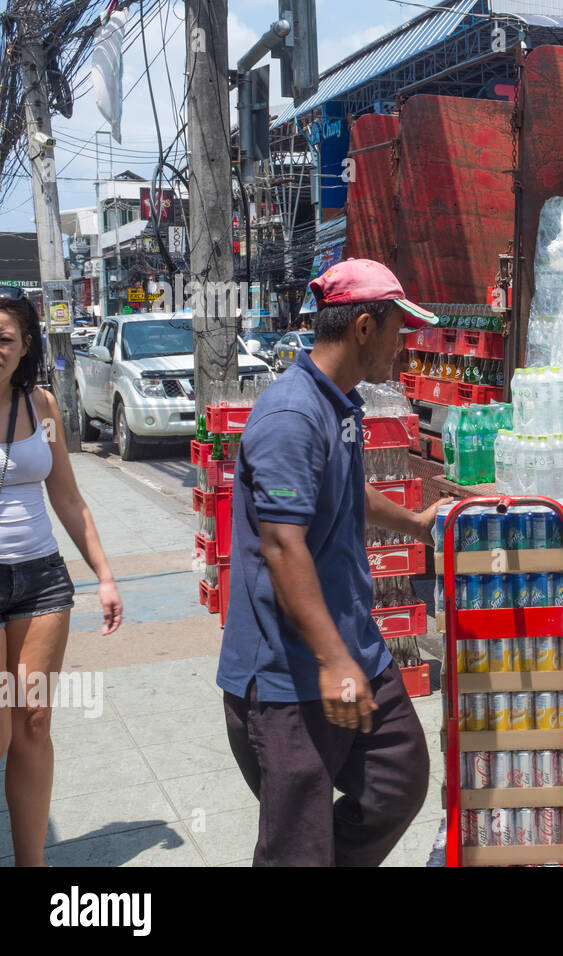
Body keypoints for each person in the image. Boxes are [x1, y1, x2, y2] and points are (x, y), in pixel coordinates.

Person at [218, 259, 445, 866]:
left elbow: (345, 489)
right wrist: (331, 658)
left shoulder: (338, 403)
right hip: (289, 675)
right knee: (298, 844)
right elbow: (282, 544)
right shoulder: (292, 417)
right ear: (365, 328)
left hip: (352, 651)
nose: (405, 347)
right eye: (399, 329)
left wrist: (415, 524)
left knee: (398, 781)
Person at [0, 288, 123, 867]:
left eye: (4, 339)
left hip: (42, 582)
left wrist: (104, 575)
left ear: (25, 346)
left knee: (35, 719)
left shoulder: (42, 407)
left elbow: (68, 499)